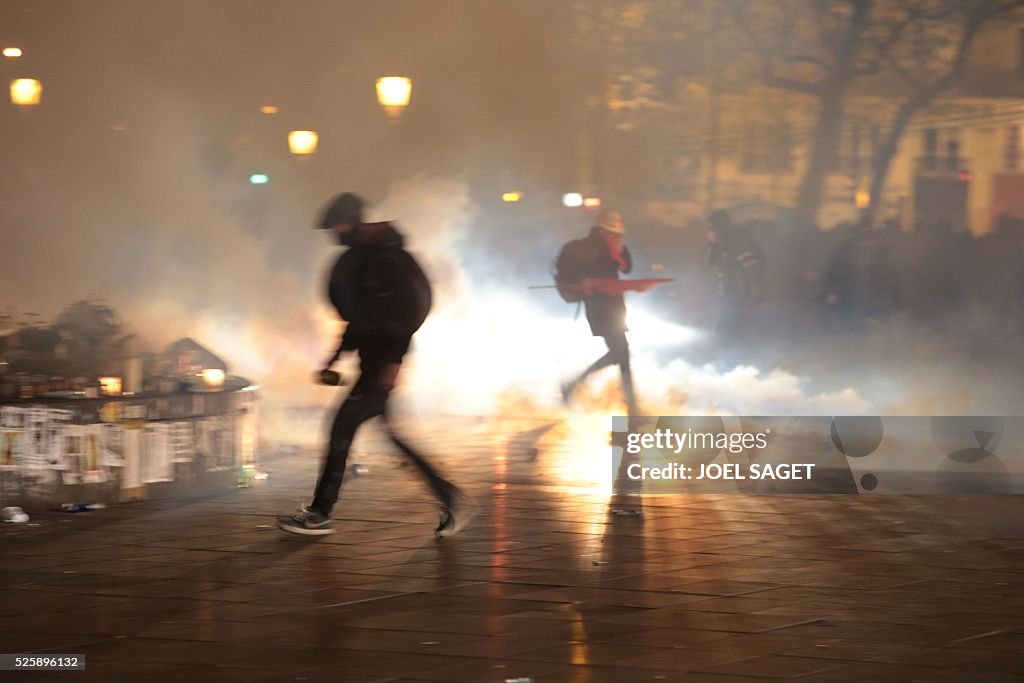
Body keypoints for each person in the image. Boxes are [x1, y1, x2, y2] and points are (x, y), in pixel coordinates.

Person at [278, 192, 471, 537]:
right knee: (389, 435)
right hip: (375, 365)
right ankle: (448, 496)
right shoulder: (365, 258)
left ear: (348, 222)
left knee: (341, 429)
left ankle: (321, 512)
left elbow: (403, 316)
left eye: (336, 226)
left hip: (381, 367)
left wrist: (392, 365)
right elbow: (362, 320)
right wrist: (337, 357)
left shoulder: (385, 260)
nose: (333, 234)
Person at [559, 208, 639, 416]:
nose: (618, 238)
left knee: (622, 353)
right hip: (599, 308)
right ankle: (574, 384)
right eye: (615, 234)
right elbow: (579, 278)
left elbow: (627, 268)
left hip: (614, 307)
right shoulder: (587, 249)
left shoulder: (614, 248)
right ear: (603, 231)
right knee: (620, 352)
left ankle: (631, 406)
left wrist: (619, 251)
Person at [705, 209, 765, 336]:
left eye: (713, 225)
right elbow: (712, 262)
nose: (711, 228)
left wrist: (755, 284)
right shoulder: (720, 240)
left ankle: (733, 347)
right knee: (730, 319)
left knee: (732, 320)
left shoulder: (738, 238)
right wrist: (711, 244)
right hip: (729, 287)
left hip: (739, 286)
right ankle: (730, 345)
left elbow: (751, 262)